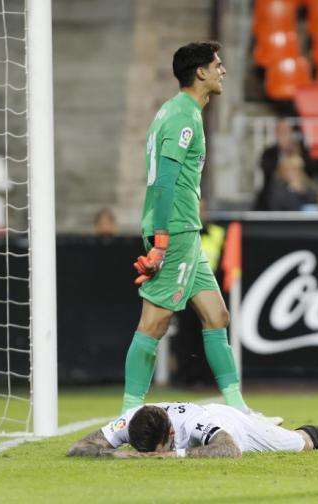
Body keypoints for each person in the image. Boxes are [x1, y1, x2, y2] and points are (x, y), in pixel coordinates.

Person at [126, 42, 280, 424]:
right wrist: (161, 239)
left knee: (217, 315)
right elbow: (163, 182)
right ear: (200, 73)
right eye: (217, 65)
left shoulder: (180, 111)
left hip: (187, 231)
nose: (223, 71)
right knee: (154, 322)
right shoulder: (182, 116)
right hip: (174, 231)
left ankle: (238, 408)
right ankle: (128, 415)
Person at [67, 401, 318, 458]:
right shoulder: (132, 420)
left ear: (170, 436)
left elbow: (230, 450)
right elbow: (78, 447)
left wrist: (174, 457)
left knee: (298, 443)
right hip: (213, 420)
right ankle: (260, 419)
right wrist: (109, 454)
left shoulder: (192, 425)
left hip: (229, 424)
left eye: (159, 451)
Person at [255, 119, 311, 210]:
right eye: (281, 132)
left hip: (300, 196)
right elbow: (267, 170)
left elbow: (311, 170)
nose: (284, 135)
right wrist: (284, 153)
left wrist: (296, 153)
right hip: (272, 198)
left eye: (287, 131)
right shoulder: (269, 153)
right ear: (276, 134)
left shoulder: (301, 150)